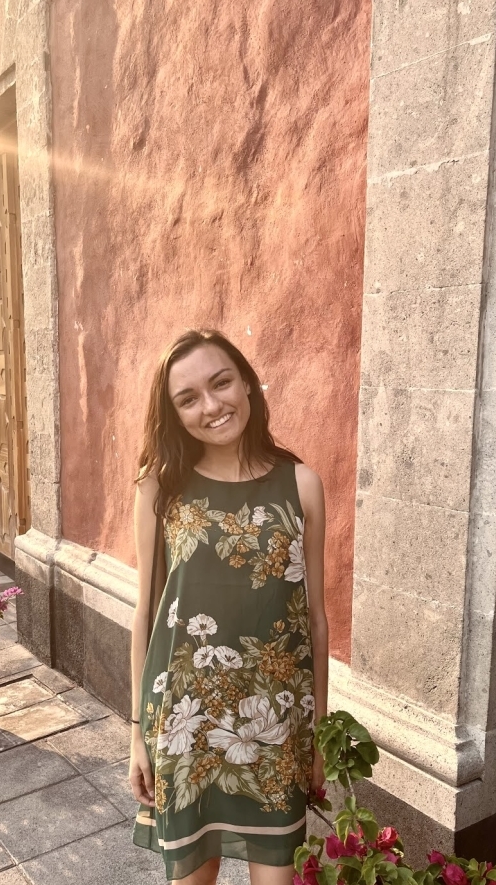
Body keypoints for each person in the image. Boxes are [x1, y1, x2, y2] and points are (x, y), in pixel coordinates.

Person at [129, 329, 329, 885]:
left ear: (247, 383)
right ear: (173, 414)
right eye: (187, 398)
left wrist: (317, 735)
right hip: (185, 724)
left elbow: (315, 620)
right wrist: (137, 734)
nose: (211, 406)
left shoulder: (303, 485)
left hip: (277, 725)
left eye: (221, 384)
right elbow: (144, 615)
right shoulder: (159, 488)